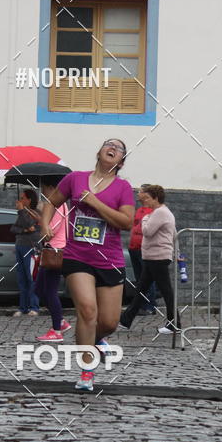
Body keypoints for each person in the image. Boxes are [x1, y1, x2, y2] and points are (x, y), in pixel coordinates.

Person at [40, 139, 134, 392]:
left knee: (110, 322)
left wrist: (95, 202)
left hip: (110, 260)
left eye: (118, 148)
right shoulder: (76, 179)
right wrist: (45, 224)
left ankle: (96, 339)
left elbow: (126, 222)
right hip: (77, 256)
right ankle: (86, 370)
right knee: (88, 311)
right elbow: (51, 202)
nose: (112, 147)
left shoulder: (123, 188)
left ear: (121, 161)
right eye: (108, 144)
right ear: (100, 152)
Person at [119, 184, 180, 335]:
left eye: (147, 198)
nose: (144, 201)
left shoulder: (159, 213)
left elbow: (147, 231)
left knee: (166, 291)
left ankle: (174, 324)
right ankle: (125, 320)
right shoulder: (161, 212)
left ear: (156, 198)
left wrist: (145, 218)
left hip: (157, 257)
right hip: (154, 256)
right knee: (142, 289)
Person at [35, 180, 70, 342]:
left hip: (55, 252)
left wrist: (42, 220)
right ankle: (60, 321)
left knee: (49, 291)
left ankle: (56, 330)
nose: (42, 191)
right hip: (51, 250)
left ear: (51, 188)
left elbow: (50, 230)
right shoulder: (54, 205)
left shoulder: (57, 205)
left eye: (44, 188)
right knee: (39, 290)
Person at [11, 188, 41, 317]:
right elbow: (14, 228)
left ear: (29, 200)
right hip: (20, 246)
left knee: (31, 277)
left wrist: (21, 210)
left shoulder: (36, 213)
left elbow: (32, 225)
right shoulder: (22, 213)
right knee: (21, 278)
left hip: (31, 247)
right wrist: (24, 230)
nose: (20, 200)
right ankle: (23, 307)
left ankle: (34, 307)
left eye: (23, 198)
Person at [128, 184, 157, 315]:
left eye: (140, 191)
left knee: (147, 279)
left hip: (145, 249)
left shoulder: (154, 211)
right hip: (134, 248)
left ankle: (150, 305)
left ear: (146, 194)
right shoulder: (139, 210)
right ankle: (143, 304)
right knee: (140, 279)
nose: (137, 193)